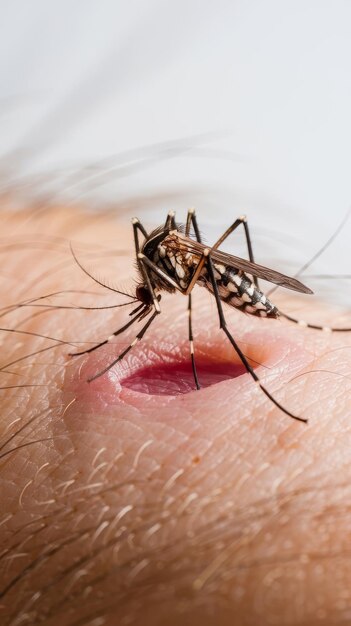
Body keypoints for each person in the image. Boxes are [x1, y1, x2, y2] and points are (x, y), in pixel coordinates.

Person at [1, 204, 350, 626]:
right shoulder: (153, 258)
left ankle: (279, 321)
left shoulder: (166, 260)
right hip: (192, 265)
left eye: (147, 295)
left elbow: (187, 264)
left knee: (206, 257)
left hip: (216, 274)